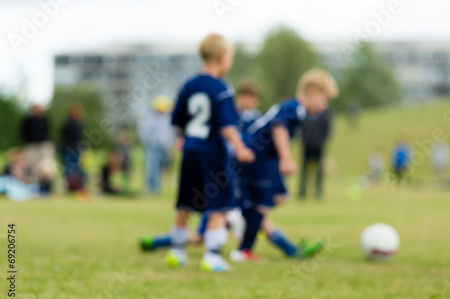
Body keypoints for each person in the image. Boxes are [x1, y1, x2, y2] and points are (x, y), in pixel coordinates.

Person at [163, 34, 255, 272]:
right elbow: (227, 126)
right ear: (223, 57)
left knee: (184, 204)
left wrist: (183, 139)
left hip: (190, 152)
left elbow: (178, 120)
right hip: (212, 156)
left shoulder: (188, 84)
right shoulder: (222, 88)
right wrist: (240, 147)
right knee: (218, 205)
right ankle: (212, 256)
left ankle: (177, 251)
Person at [234, 68, 339, 261]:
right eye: (325, 100)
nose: (324, 107)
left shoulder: (295, 108)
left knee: (265, 204)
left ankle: (288, 249)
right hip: (256, 157)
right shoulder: (296, 107)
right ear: (313, 92)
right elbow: (278, 126)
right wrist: (286, 158)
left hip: (260, 159)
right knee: (261, 206)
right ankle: (244, 250)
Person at [138, 96, 176, 195]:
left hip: (165, 147)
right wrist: (149, 143)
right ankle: (152, 188)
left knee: (162, 168)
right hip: (152, 146)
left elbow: (170, 133)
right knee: (152, 168)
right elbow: (144, 133)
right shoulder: (149, 118)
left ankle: (158, 188)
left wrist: (169, 145)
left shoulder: (168, 118)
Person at [298, 109, 332, 200]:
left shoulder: (324, 115)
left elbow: (327, 130)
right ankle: (302, 192)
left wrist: (321, 142)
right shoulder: (305, 114)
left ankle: (318, 192)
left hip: (319, 147)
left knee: (319, 171)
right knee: (304, 170)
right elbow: (301, 129)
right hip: (306, 146)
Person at [21, 104, 55, 190]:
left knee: (45, 165)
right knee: (33, 166)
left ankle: (46, 183)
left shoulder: (44, 119)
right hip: (32, 145)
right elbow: (24, 132)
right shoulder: (28, 120)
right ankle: (35, 185)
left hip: (43, 145)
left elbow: (47, 130)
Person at [60, 104, 85, 192]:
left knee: (76, 168)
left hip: (75, 149)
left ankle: (77, 186)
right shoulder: (67, 124)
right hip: (67, 149)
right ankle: (68, 186)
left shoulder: (79, 124)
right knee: (67, 168)